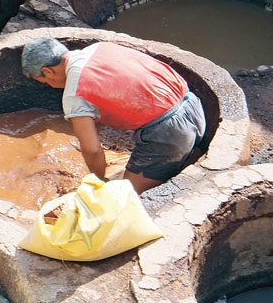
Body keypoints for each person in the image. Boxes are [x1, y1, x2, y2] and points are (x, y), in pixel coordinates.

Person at [21, 37, 206, 194]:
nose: (49, 85)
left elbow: (92, 150)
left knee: (121, 198)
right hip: (194, 107)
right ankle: (181, 157)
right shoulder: (100, 48)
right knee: (180, 162)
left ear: (47, 71)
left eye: (44, 81)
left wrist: (98, 184)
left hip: (170, 132)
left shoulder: (74, 92)